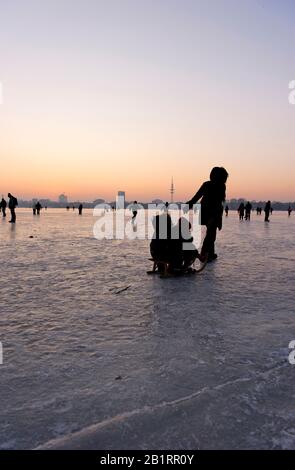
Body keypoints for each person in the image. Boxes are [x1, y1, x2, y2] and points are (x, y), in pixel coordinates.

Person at [186, 167, 229, 262]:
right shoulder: (221, 186)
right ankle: (205, 253)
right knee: (211, 234)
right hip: (213, 213)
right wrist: (190, 203)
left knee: (211, 233)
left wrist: (190, 203)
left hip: (207, 212)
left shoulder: (208, 184)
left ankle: (210, 253)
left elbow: (197, 196)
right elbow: (218, 200)